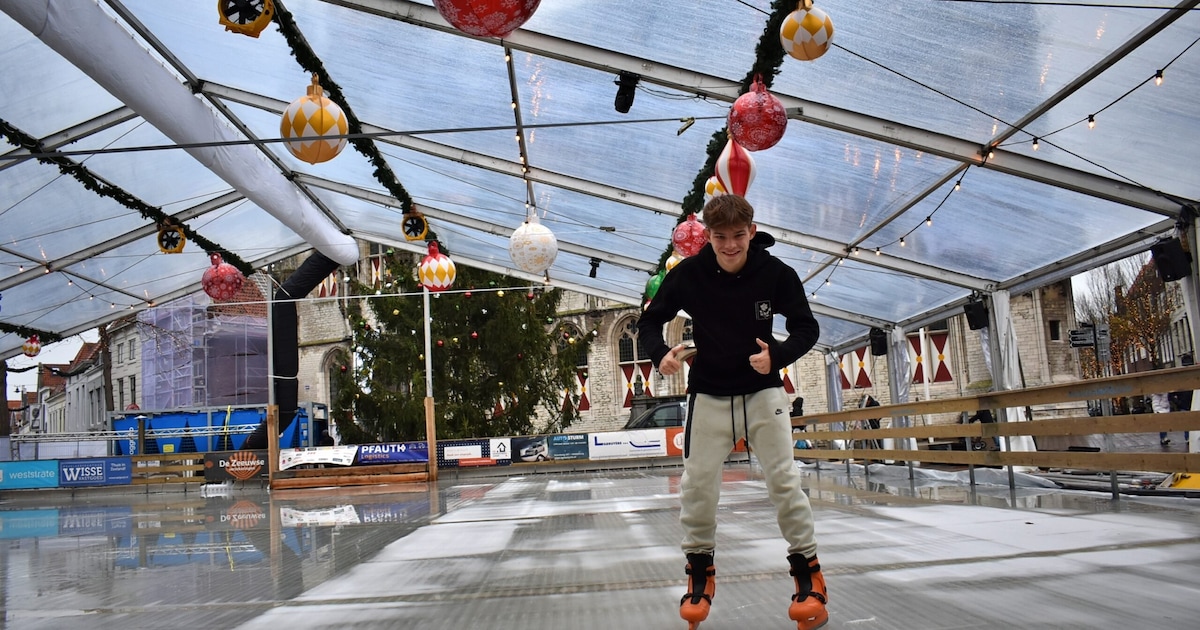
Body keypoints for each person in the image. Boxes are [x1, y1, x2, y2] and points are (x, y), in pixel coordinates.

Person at [637, 194, 825, 630]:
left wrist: (778, 356)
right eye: (720, 237)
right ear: (706, 236)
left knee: (784, 481)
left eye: (738, 236)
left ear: (751, 232)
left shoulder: (776, 274)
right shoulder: (689, 274)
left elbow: (806, 326)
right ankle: (700, 574)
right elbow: (649, 319)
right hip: (709, 395)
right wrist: (659, 352)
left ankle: (808, 575)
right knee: (698, 486)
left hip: (762, 393)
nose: (730, 245)